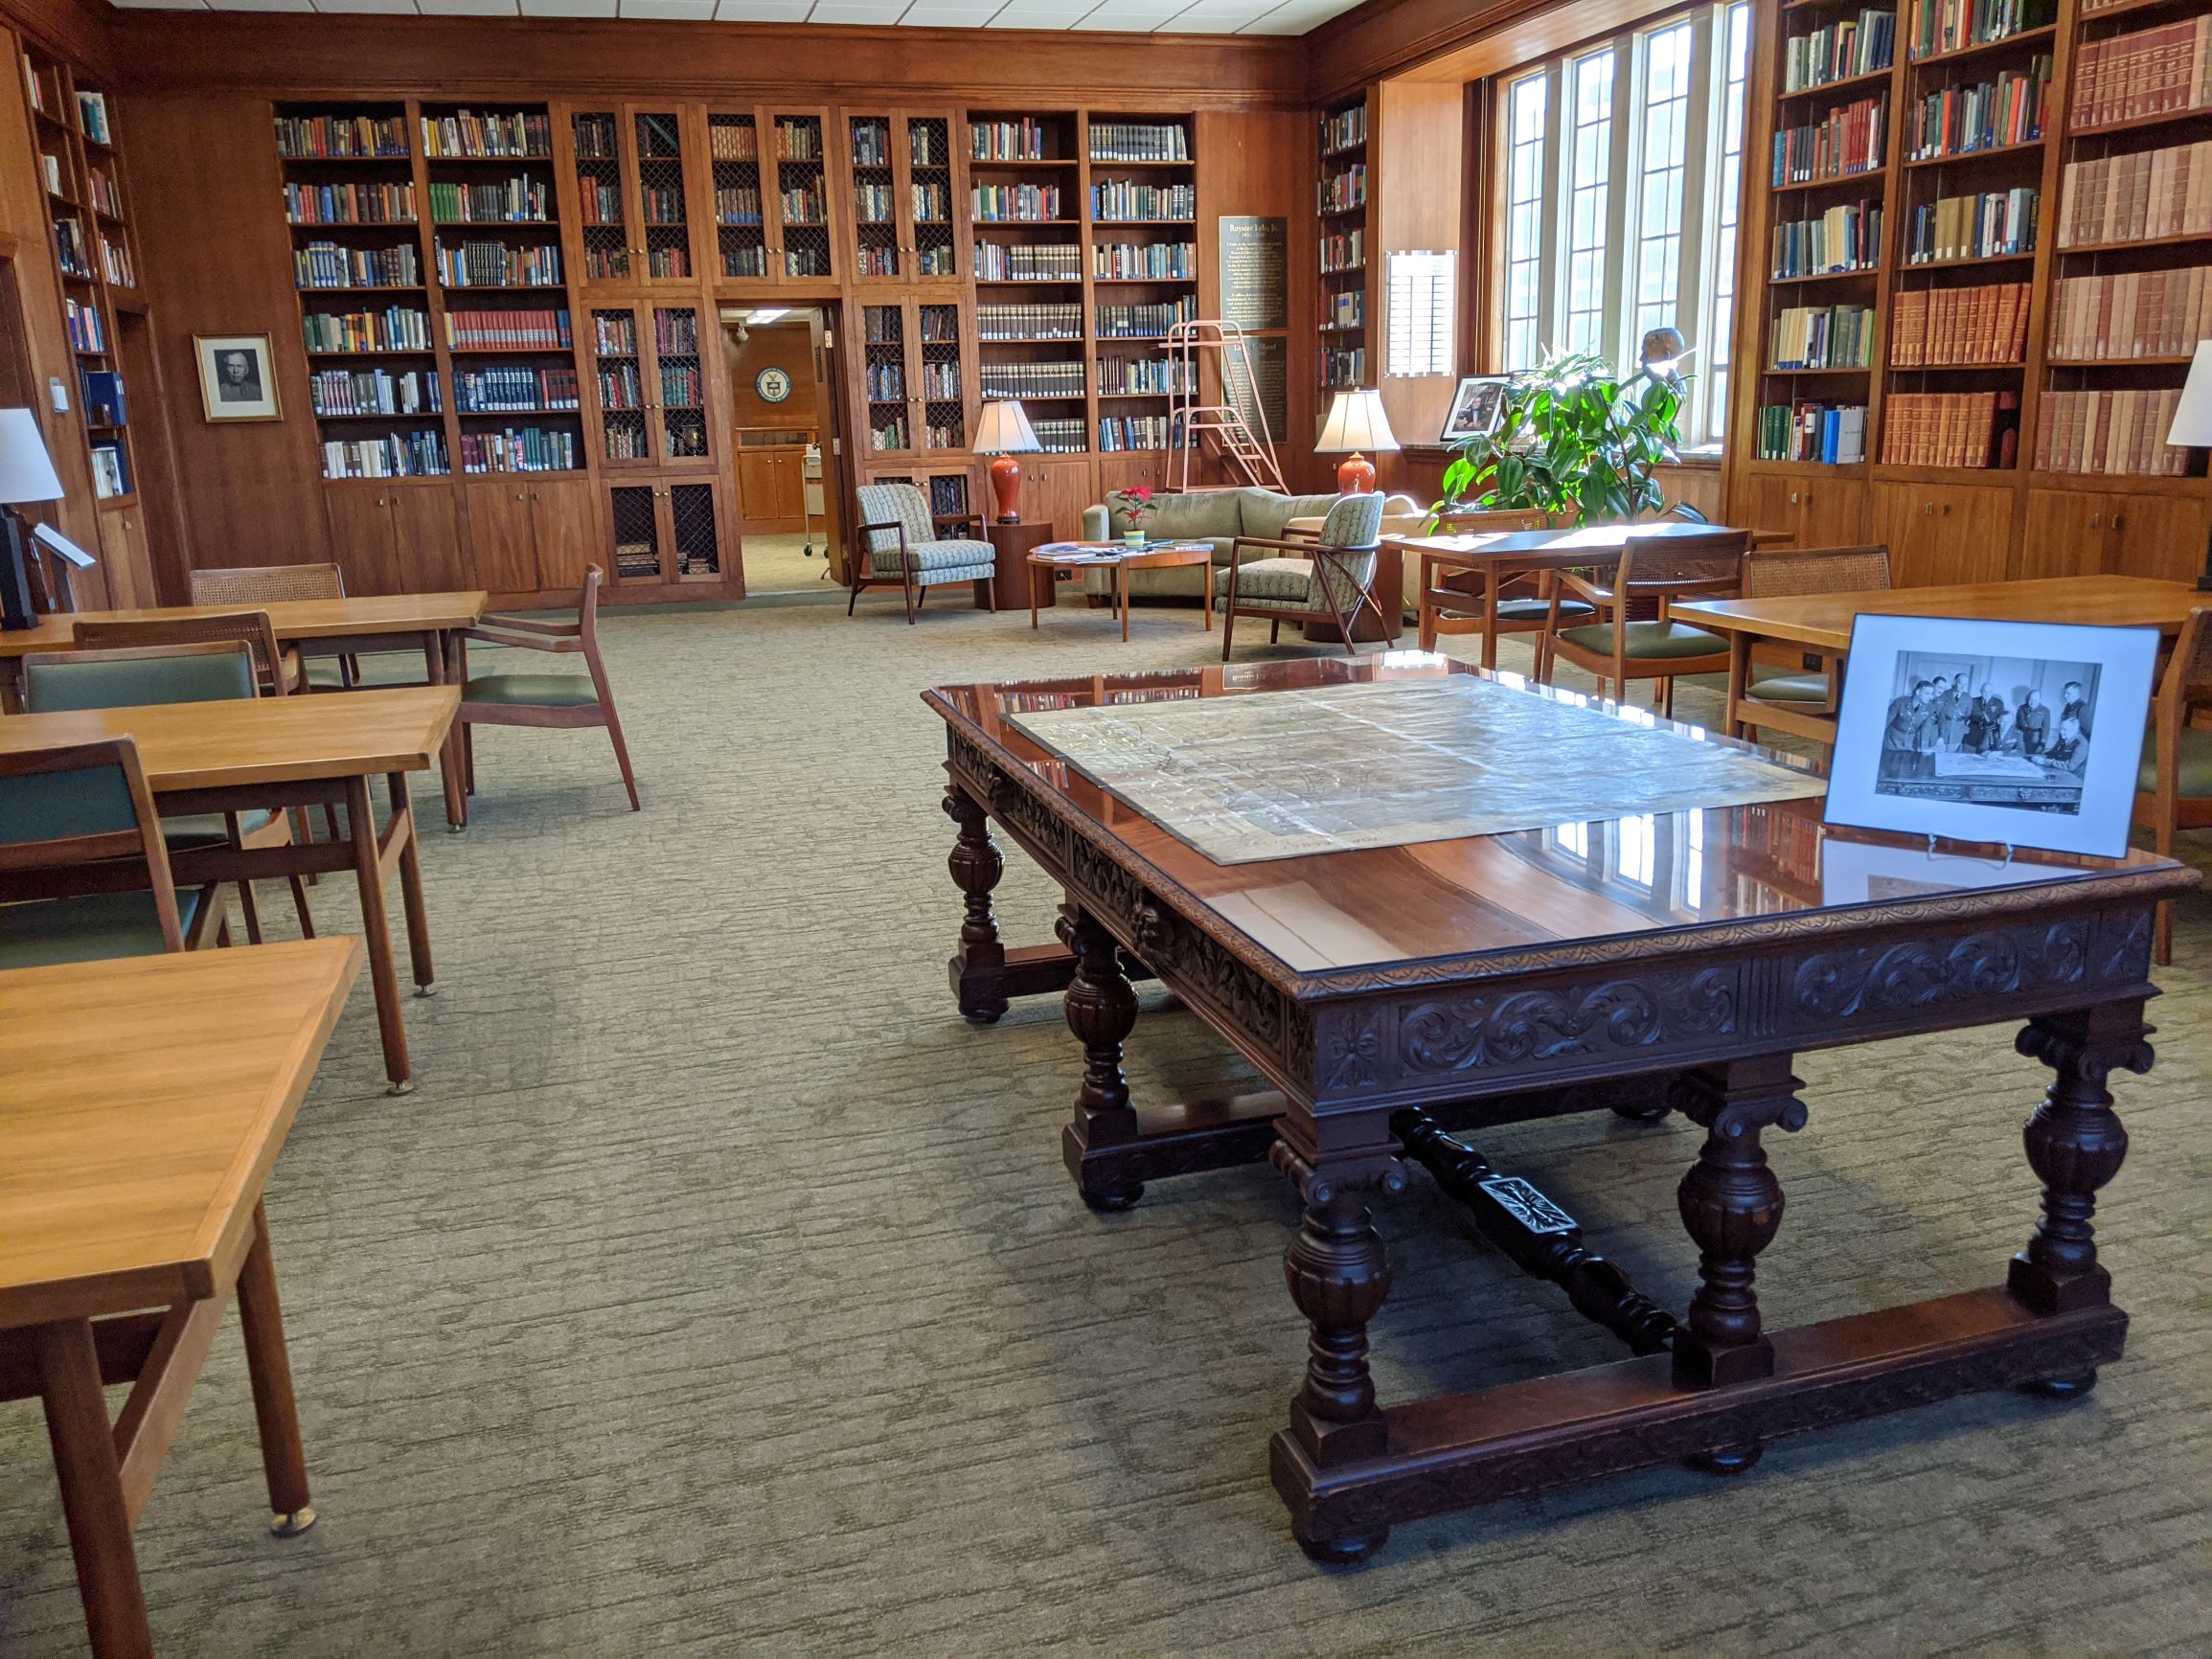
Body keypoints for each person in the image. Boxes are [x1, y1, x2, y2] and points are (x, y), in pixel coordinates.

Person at [1882, 679, 1937, 780]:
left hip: (1910, 744)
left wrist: (1923, 748)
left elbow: (1926, 729)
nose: (1930, 696)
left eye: (1931, 694)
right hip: (1892, 742)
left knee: (1904, 773)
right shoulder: (1900, 703)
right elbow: (1884, 722)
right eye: (1927, 693)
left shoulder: (1930, 708)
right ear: (1918, 692)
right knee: (1888, 772)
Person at [2044, 713, 2089, 779]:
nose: (2061, 732)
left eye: (2065, 729)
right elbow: (2052, 753)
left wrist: (2047, 762)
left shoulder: (2082, 743)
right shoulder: (2063, 739)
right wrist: (2037, 756)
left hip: (2073, 778)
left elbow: (2070, 766)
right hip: (2059, 771)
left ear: (2075, 730)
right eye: (2061, 729)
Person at [2014, 688, 2051, 758]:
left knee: (2030, 756)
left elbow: (2046, 728)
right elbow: (2017, 723)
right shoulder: (2021, 708)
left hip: (2035, 738)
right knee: (2018, 755)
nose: (2033, 702)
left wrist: (2042, 743)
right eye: (2031, 700)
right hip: (2021, 735)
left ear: (2040, 700)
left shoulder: (2045, 711)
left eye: (2035, 700)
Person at [1936, 675, 1969, 750]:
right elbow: (1938, 713)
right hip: (1943, 729)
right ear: (1955, 682)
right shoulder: (1944, 694)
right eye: (1960, 683)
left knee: (1952, 756)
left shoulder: (1968, 698)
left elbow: (1968, 716)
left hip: (1958, 732)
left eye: (1965, 684)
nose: (1963, 686)